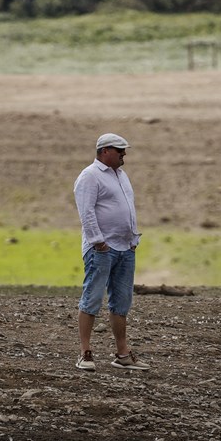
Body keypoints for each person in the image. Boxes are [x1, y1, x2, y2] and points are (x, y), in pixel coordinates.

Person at [73, 133, 150, 371]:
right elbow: (86, 212)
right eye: (120, 151)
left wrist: (133, 238)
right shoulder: (90, 176)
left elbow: (128, 208)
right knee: (93, 297)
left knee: (122, 301)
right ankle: (85, 353)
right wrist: (98, 242)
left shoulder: (121, 175)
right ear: (105, 151)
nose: (124, 155)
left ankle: (122, 354)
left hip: (125, 248)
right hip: (102, 249)